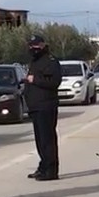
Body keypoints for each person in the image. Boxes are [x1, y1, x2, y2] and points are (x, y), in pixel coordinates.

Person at [23, 34, 62, 181]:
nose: (33, 49)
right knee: (40, 140)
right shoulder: (35, 61)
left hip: (46, 105)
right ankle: (43, 166)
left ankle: (51, 170)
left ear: (43, 46)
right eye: (30, 46)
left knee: (48, 139)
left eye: (35, 46)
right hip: (35, 106)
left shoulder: (51, 61)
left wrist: (35, 80)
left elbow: (54, 82)